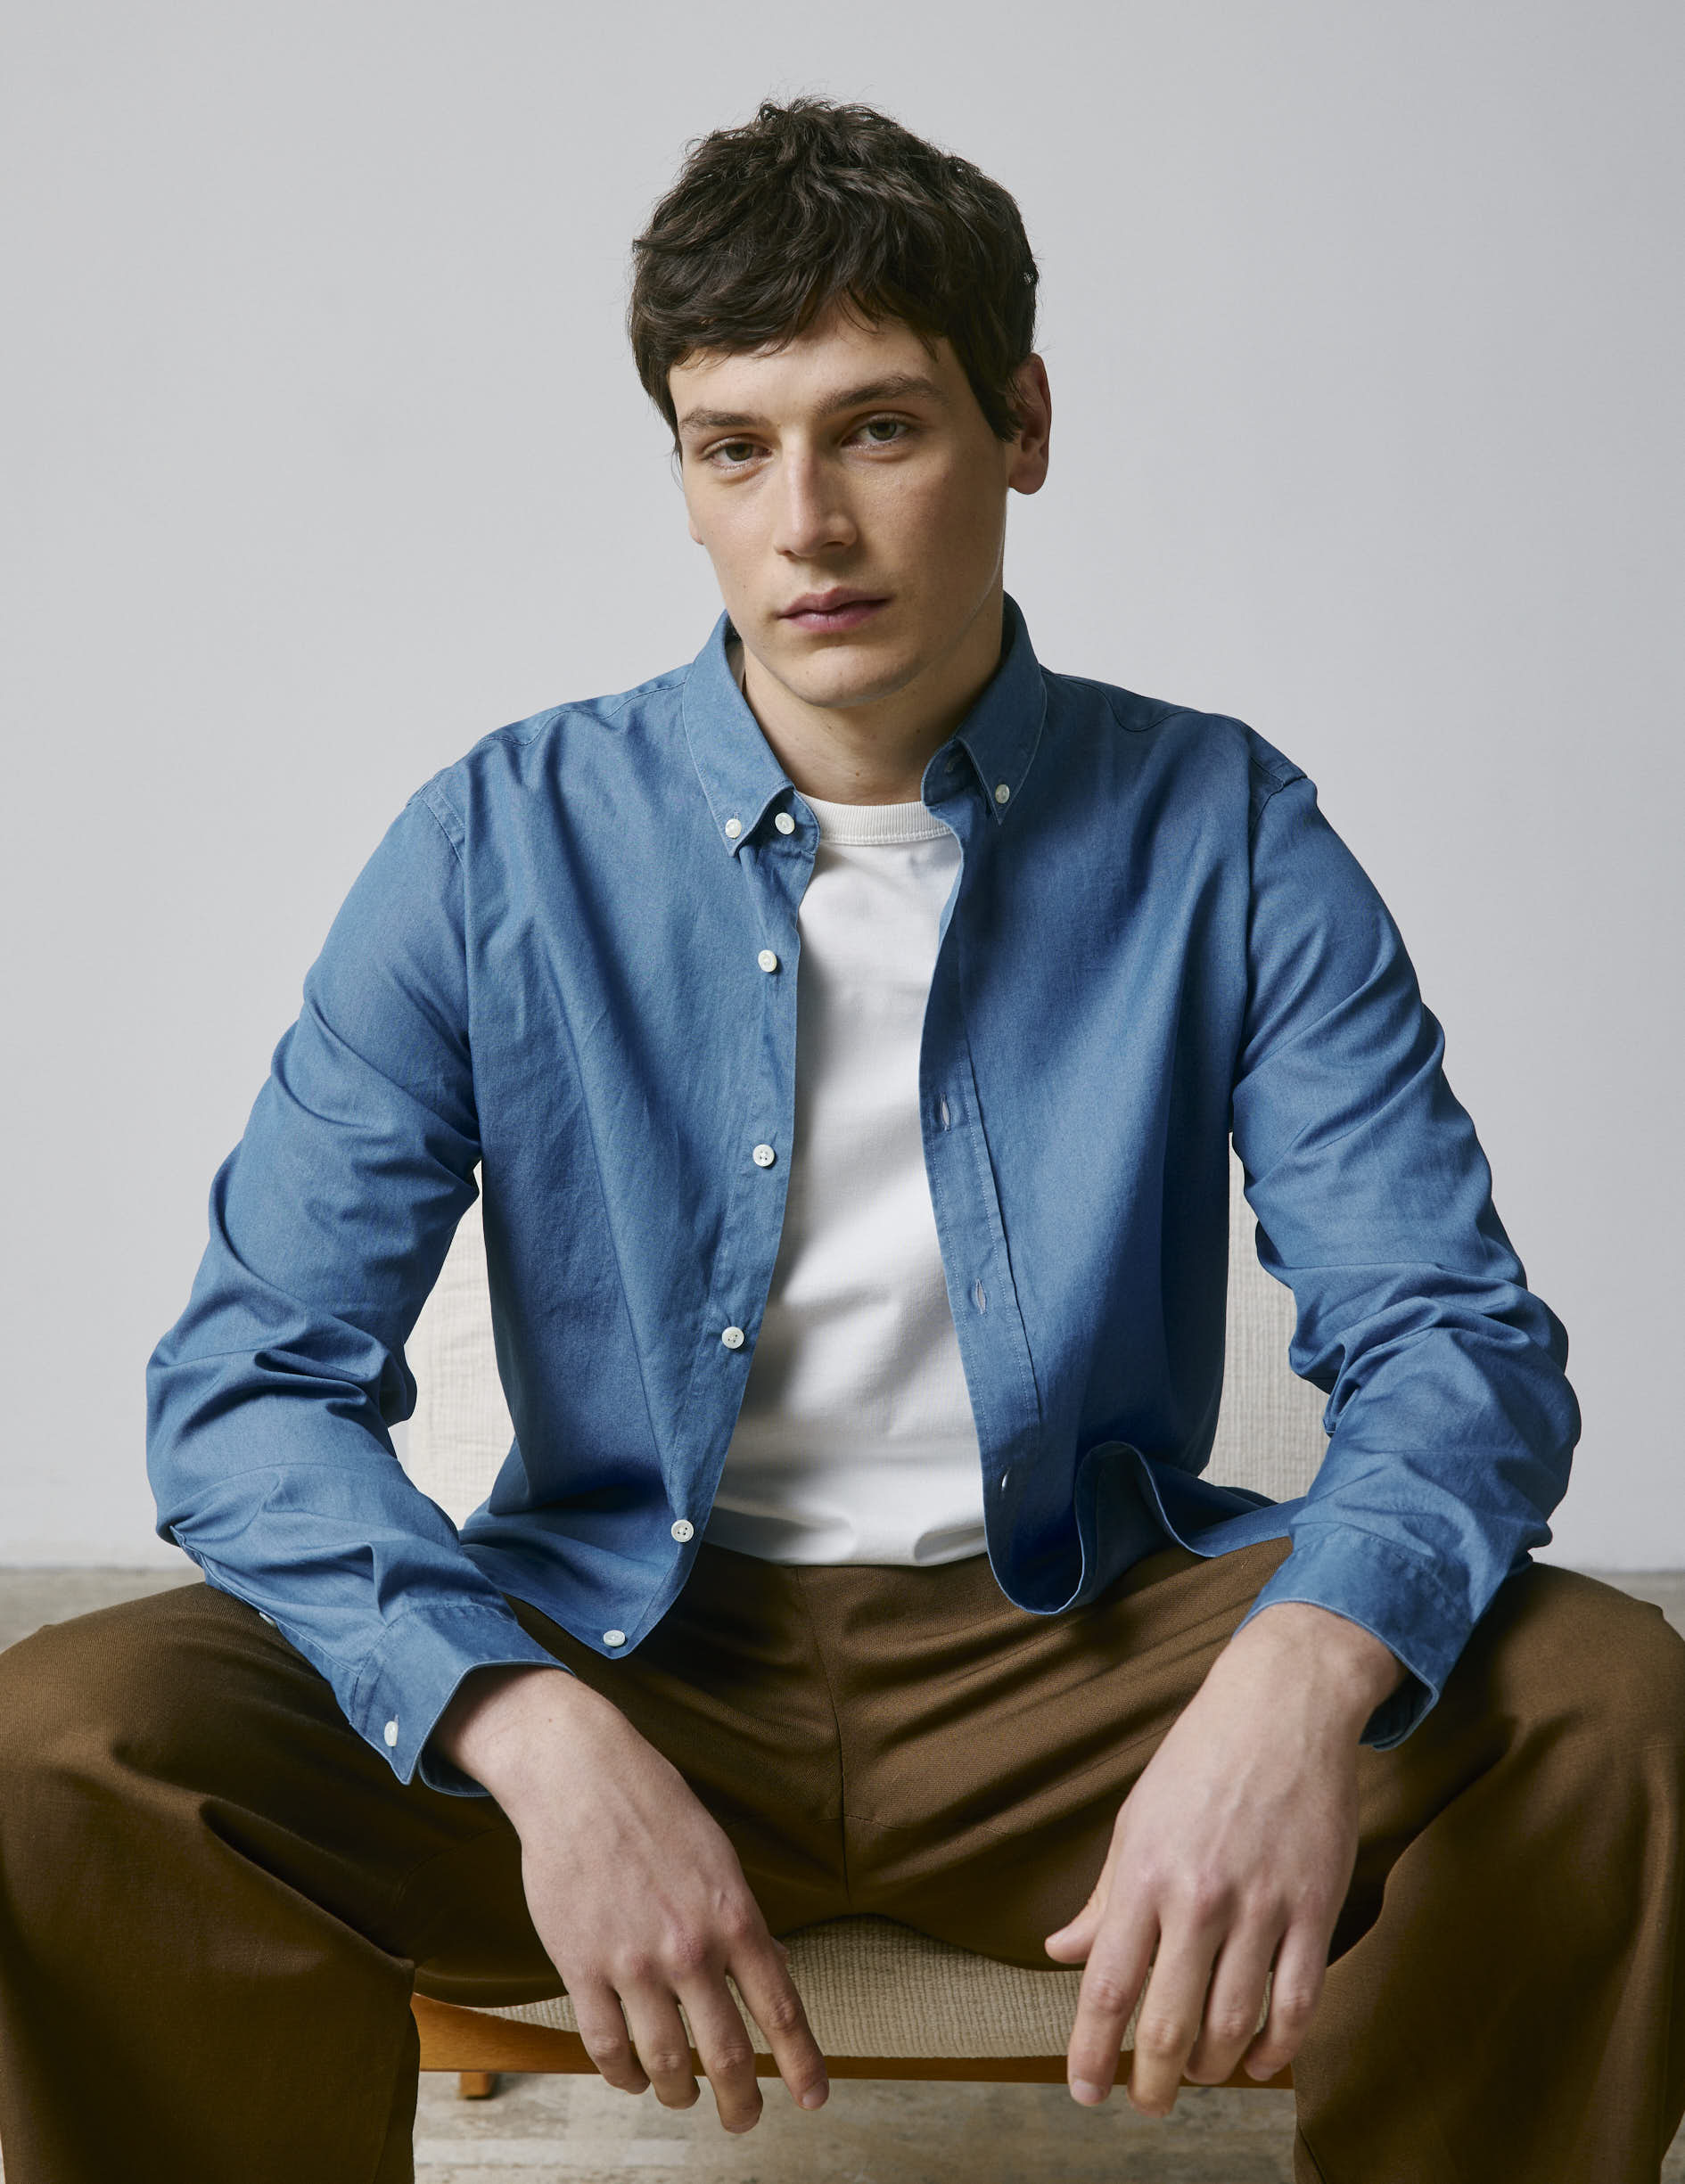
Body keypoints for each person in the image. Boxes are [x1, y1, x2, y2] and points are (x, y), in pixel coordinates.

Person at [1, 94, 1681, 2184]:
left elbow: (1453, 1337)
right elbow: (248, 1384)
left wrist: (1292, 1679)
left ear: (1022, 423)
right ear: (687, 475)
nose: (805, 522)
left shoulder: (1225, 831)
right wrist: (527, 1727)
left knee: (1612, 1708)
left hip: (1079, 1662)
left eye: (876, 428)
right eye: (734, 447)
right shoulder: (494, 846)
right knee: (69, 1744)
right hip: (630, 1644)